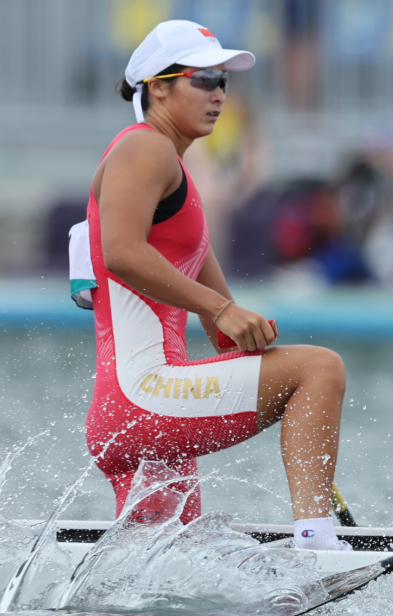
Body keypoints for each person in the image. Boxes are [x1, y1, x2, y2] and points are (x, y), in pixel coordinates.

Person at [79, 20, 349, 550]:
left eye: (225, 81)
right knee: (321, 369)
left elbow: (221, 327)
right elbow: (123, 253)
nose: (220, 94)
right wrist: (224, 311)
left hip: (132, 413)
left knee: (152, 576)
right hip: (146, 397)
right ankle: (317, 542)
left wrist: (239, 330)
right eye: (203, 80)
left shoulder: (174, 176)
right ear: (158, 86)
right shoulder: (143, 149)